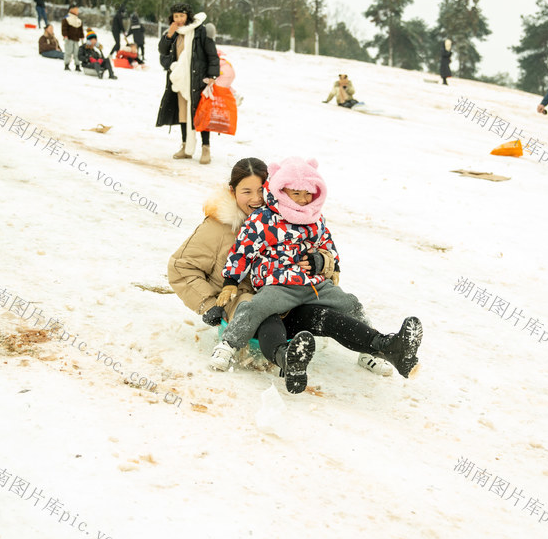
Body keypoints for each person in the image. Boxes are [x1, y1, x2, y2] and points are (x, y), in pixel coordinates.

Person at [167, 158, 419, 390]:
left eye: (260, 189)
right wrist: (209, 303)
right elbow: (181, 268)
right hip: (250, 300)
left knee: (334, 312)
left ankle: (381, 348)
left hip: (298, 291)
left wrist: (323, 262)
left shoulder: (297, 215)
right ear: (232, 191)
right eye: (246, 191)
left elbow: (325, 245)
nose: (256, 198)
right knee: (264, 316)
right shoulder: (222, 227)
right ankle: (284, 358)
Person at [156, 3, 219, 165]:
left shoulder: (199, 31)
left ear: (187, 16)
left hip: (198, 81)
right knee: (183, 114)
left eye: (181, 16)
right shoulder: (174, 33)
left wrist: (212, 74)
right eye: (176, 16)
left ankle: (206, 148)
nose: (179, 20)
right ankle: (185, 147)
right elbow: (163, 51)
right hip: (180, 82)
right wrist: (169, 35)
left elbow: (212, 54)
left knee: (201, 114)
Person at [61, 6, 84, 71]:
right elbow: (64, 28)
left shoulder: (78, 21)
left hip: (76, 40)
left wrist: (81, 36)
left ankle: (77, 65)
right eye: (76, 10)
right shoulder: (67, 19)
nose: (77, 11)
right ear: (71, 10)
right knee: (68, 52)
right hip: (69, 39)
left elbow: (80, 30)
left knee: (77, 53)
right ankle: (67, 64)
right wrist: (65, 35)